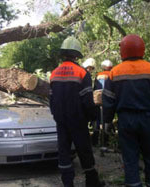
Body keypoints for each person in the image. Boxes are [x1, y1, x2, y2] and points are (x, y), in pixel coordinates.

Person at [102, 34, 150, 187]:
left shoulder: (114, 72)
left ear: (123, 51)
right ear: (142, 49)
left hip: (126, 121)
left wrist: (107, 122)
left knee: (130, 160)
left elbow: (108, 101)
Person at [49, 36, 104, 187]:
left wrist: (56, 116)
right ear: (77, 55)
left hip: (61, 121)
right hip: (78, 120)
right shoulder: (82, 73)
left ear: (63, 54)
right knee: (84, 151)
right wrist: (93, 116)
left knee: (64, 153)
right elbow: (87, 100)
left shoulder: (54, 73)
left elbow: (51, 99)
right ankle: (92, 182)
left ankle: (68, 183)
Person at [92, 59, 113, 147]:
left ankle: (95, 141)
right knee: (107, 121)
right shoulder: (112, 74)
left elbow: (95, 88)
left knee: (97, 120)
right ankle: (106, 142)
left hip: (98, 100)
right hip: (108, 101)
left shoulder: (98, 75)